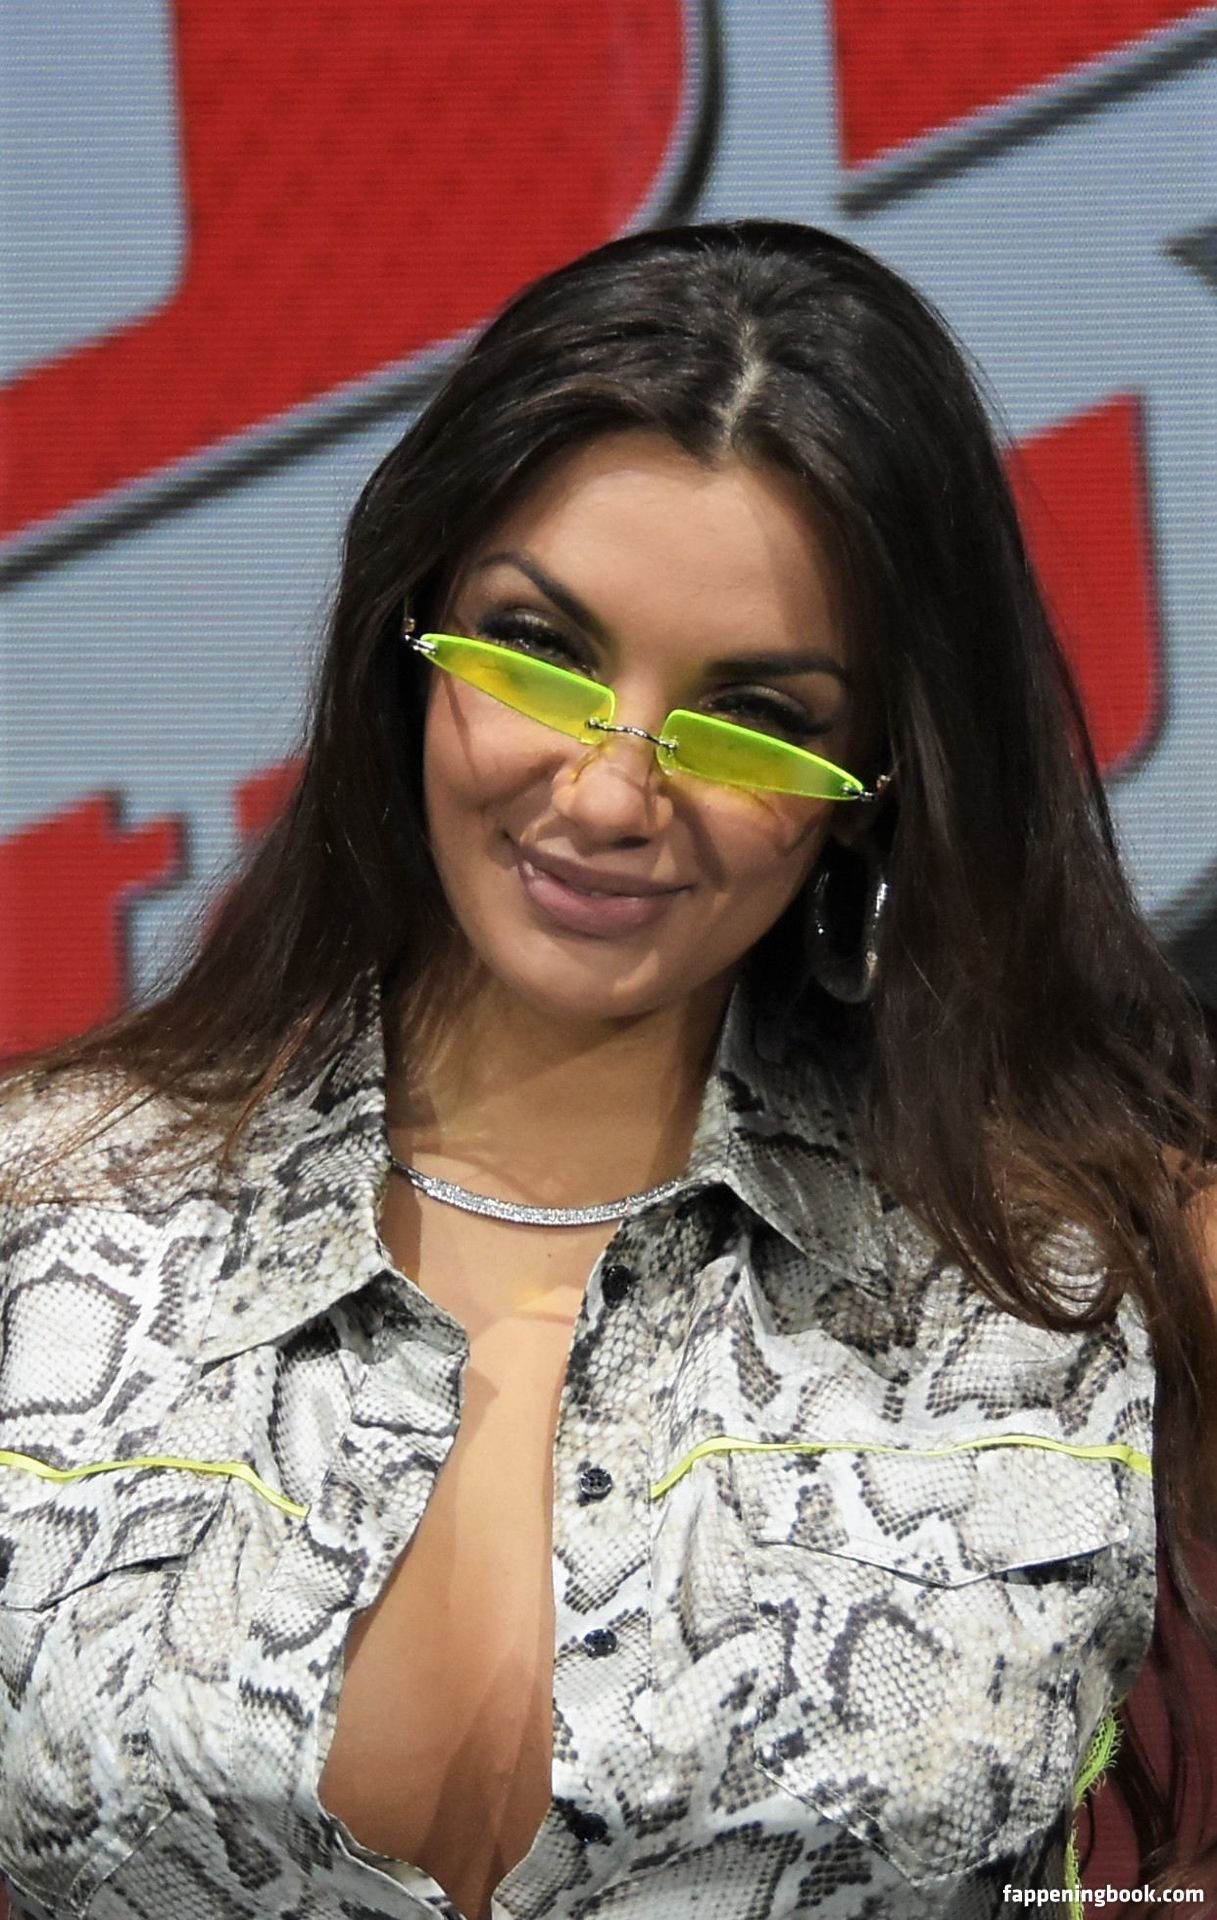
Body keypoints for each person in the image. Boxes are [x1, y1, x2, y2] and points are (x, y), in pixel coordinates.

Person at [0, 219, 1214, 1920]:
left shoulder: (1089, 1268)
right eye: (540, 651)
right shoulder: (46, 1212)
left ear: (878, 775)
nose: (609, 792)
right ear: (409, 635)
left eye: (754, 720)